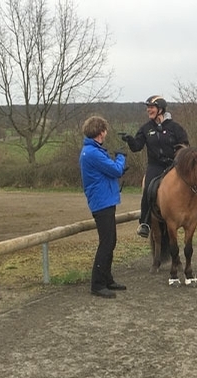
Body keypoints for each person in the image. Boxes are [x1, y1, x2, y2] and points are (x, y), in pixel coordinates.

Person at [122, 95, 197, 238]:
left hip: (174, 165)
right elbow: (137, 147)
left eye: (151, 107)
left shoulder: (174, 127)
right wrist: (130, 140)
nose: (149, 110)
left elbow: (185, 144)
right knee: (148, 189)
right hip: (155, 166)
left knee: (194, 183)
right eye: (148, 108)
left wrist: (179, 156)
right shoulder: (146, 128)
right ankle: (145, 223)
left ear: (160, 109)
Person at [79, 116, 127, 298]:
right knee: (107, 242)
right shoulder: (92, 153)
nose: (106, 134)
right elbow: (115, 170)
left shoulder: (92, 150)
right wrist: (121, 157)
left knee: (110, 241)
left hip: (104, 200)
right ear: (101, 133)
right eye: (105, 131)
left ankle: (107, 279)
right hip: (102, 202)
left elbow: (108, 171)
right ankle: (97, 284)